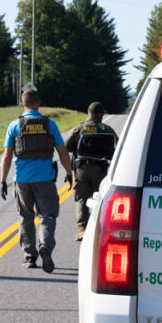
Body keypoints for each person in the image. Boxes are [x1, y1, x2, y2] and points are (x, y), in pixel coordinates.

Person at [0, 87, 73, 273]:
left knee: (26, 216)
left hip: (22, 181)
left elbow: (7, 156)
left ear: (22, 104)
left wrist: (3, 181)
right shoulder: (49, 124)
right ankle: (45, 247)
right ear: (39, 104)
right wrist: (69, 172)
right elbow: (62, 151)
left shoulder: (14, 126)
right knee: (47, 215)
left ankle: (30, 256)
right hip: (45, 180)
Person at [66, 101, 118, 241]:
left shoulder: (78, 129)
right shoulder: (107, 130)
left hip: (82, 169)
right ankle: (100, 230)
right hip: (101, 169)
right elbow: (117, 148)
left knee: (82, 198)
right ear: (100, 114)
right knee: (101, 199)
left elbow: (67, 147)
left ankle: (82, 229)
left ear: (89, 113)